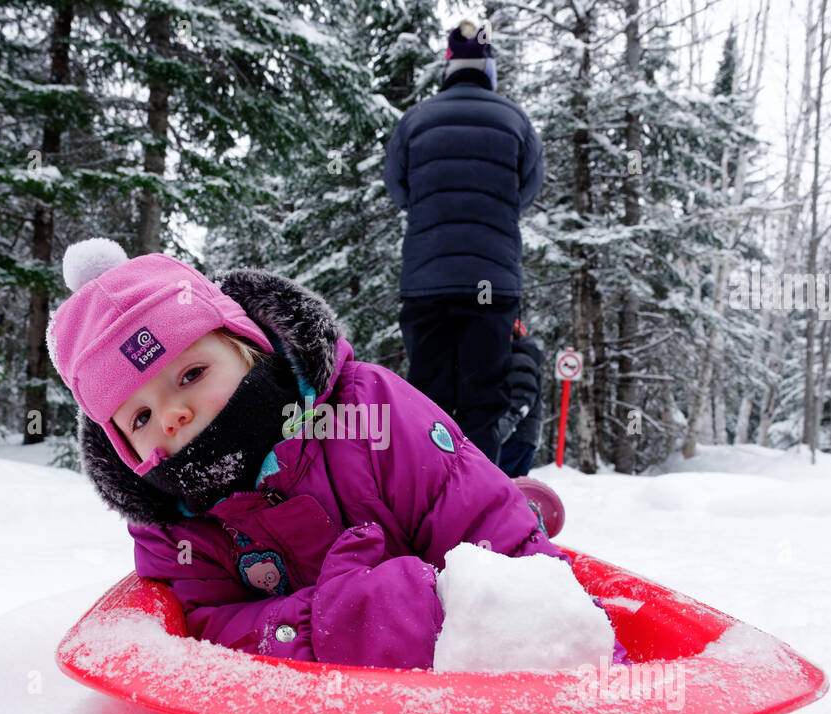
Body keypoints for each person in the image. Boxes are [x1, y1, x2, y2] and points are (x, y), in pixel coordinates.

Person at [48, 238, 624, 670]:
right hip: (332, 661)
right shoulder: (170, 526)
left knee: (476, 507)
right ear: (123, 447)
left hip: (437, 537)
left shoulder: (368, 414)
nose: (172, 413)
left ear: (250, 348)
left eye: (192, 374)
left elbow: (495, 539)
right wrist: (320, 626)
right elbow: (204, 631)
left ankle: (519, 500)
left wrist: (582, 650)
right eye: (140, 417)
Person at [383, 18, 545, 464]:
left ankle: (419, 501)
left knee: (425, 397)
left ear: (448, 68)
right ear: (488, 69)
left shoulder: (415, 120)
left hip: (427, 282)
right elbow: (527, 192)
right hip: (491, 282)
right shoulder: (515, 120)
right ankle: (480, 510)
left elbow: (398, 190)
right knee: (483, 400)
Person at [496, 318, 544, 479]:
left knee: (500, 481)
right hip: (522, 436)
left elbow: (524, 394)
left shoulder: (518, 359)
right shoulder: (514, 358)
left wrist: (508, 421)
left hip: (515, 435)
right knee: (512, 485)